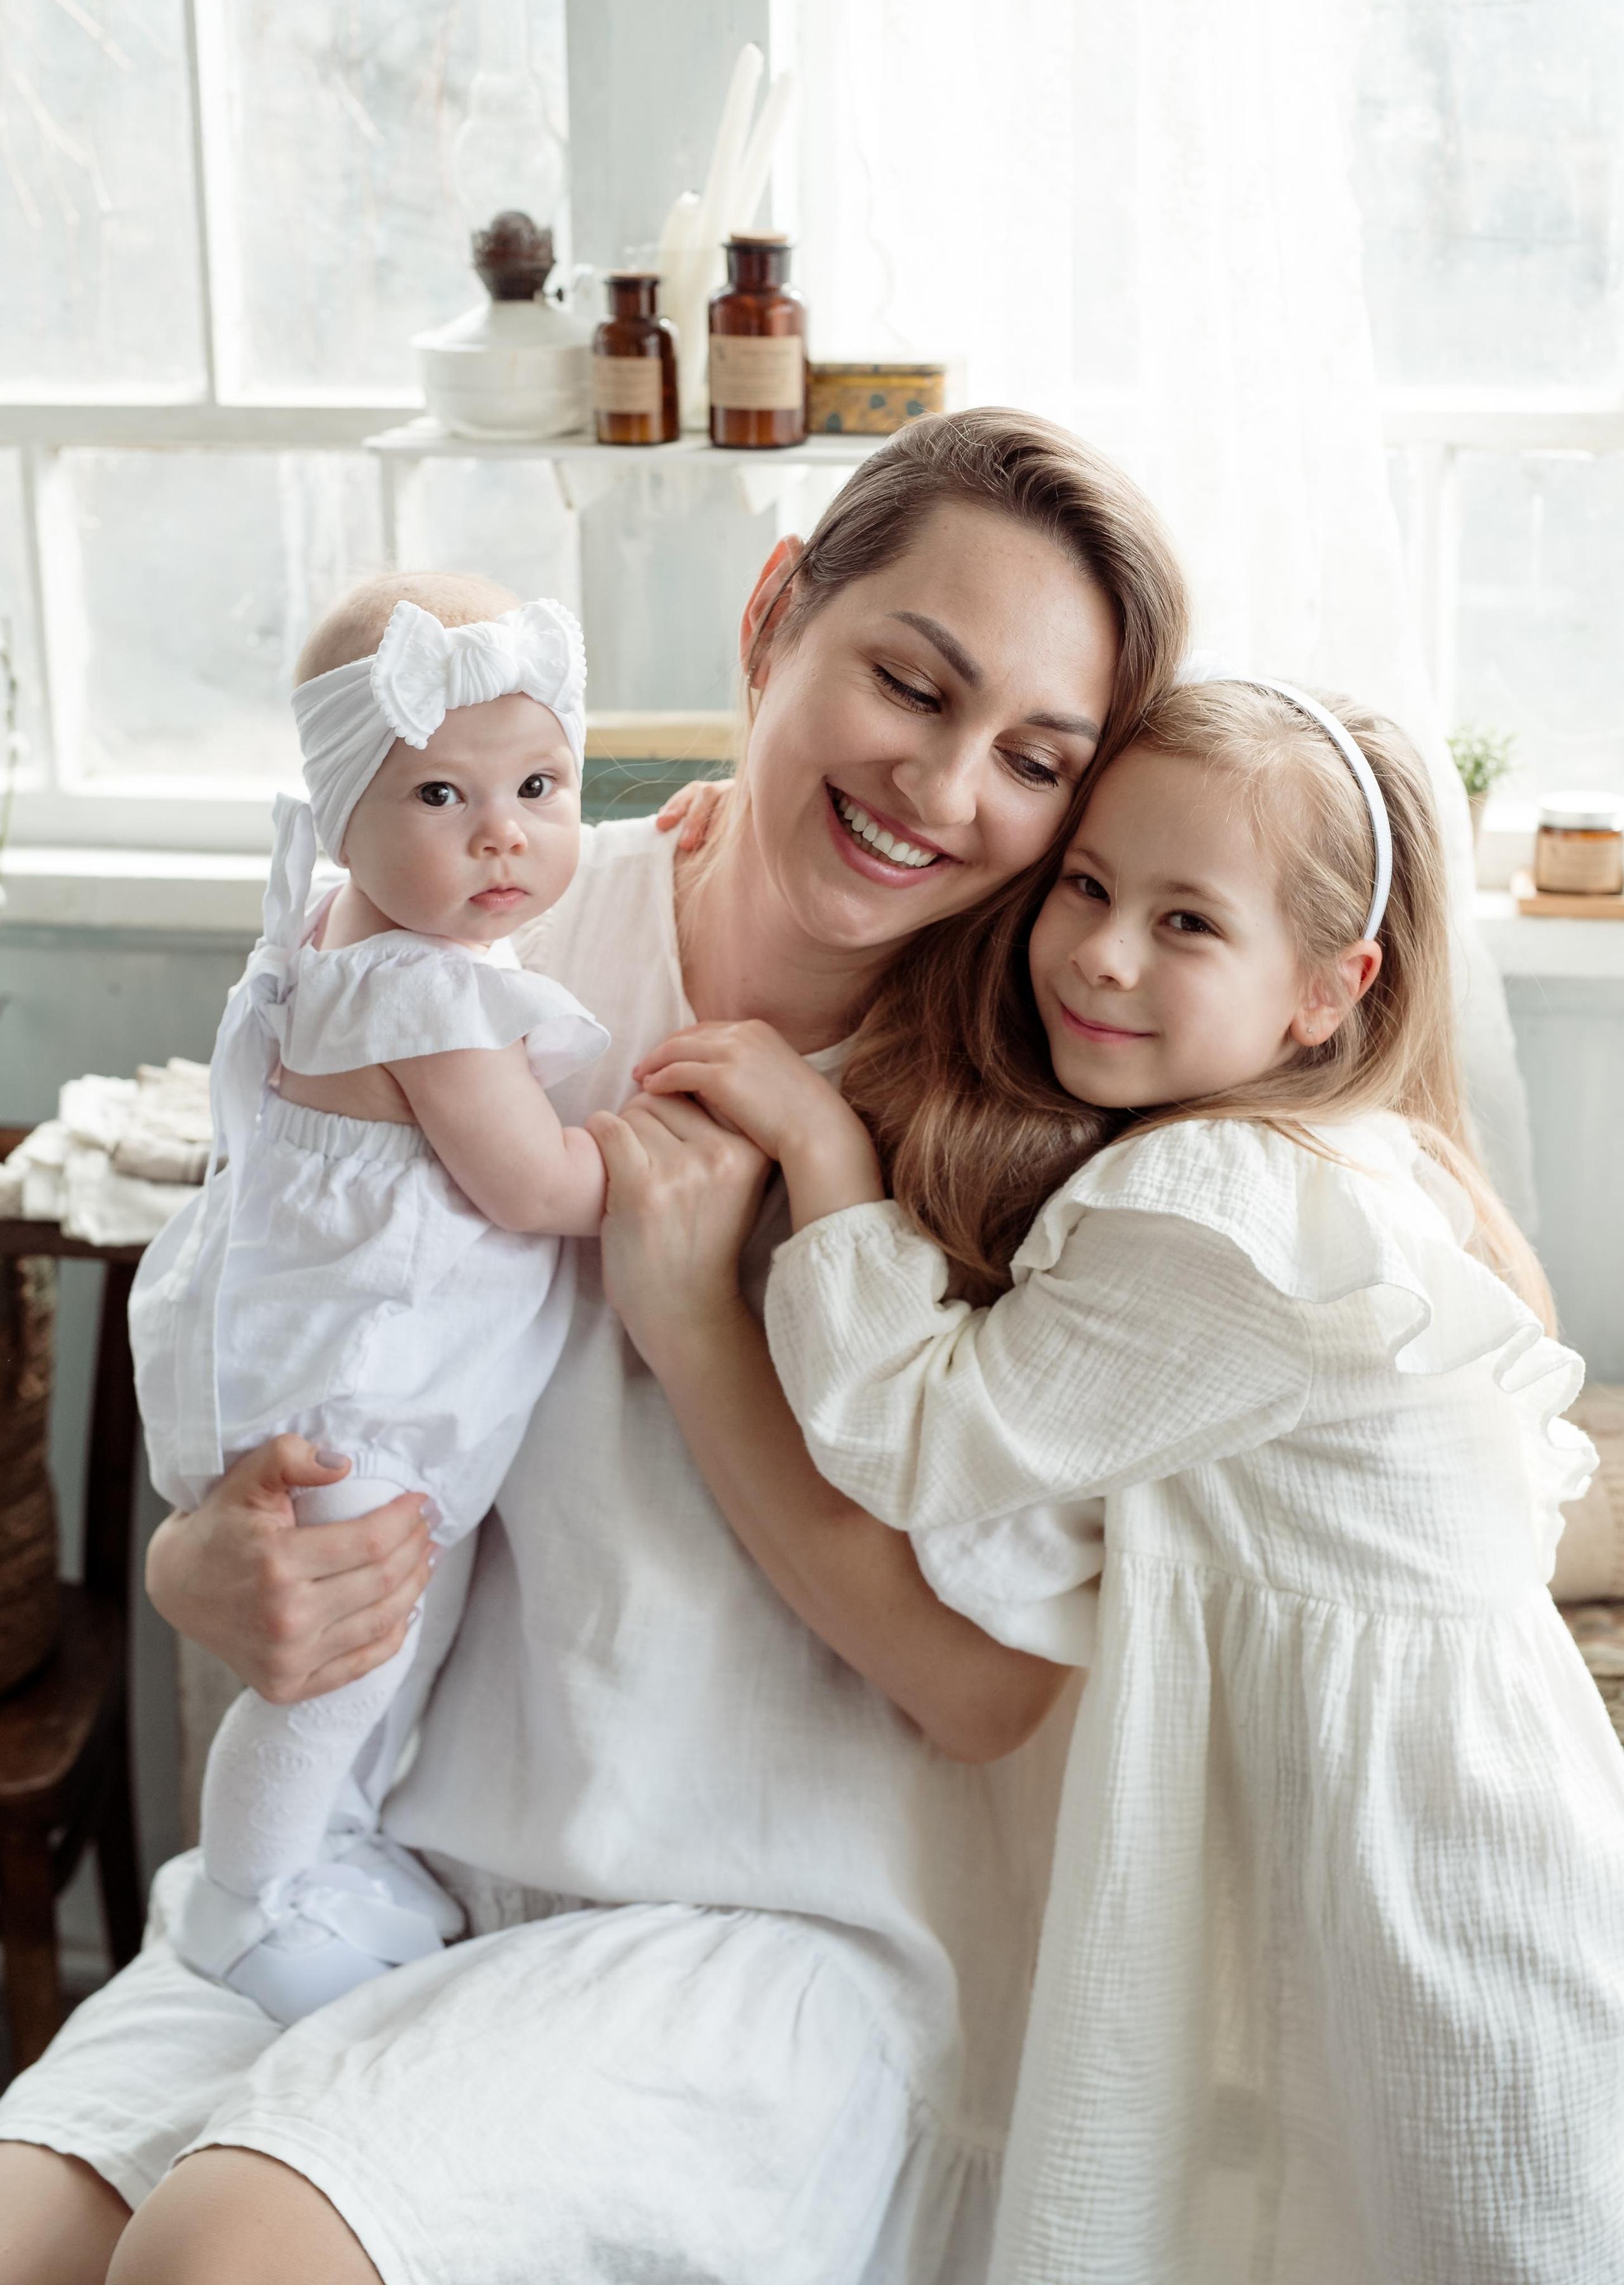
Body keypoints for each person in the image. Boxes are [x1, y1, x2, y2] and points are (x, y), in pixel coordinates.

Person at [0, 409, 1189, 2285]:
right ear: (771, 614)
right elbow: (262, 1310)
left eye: (1036, 759)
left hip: (772, 1933)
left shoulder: (1024, 1117)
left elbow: (990, 1696)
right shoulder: (473, 924)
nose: (948, 789)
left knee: (223, 2256)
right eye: (909, 681)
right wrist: (199, 1559)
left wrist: (699, 1320)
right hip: (394, 1876)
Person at [604, 674, 1624, 2284]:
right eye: (1084, 884)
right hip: (1450, 1792)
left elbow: (927, 1437)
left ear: (1324, 990)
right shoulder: (1323, 1154)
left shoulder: (1221, 1206)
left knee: (1470, 2211)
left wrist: (823, 1151)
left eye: (1185, 922)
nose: (1099, 951)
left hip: (1420, 1854)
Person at [129, 575, 609, 2024]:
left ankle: (332, 1858)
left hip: (328, 1364)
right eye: (443, 797)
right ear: (344, 815)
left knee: (384, 1661)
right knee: (339, 1669)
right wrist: (654, 1149)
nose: (501, 833)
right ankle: (244, 1898)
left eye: (537, 785)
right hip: (360, 1407)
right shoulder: (420, 992)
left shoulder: (351, 923)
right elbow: (539, 1189)